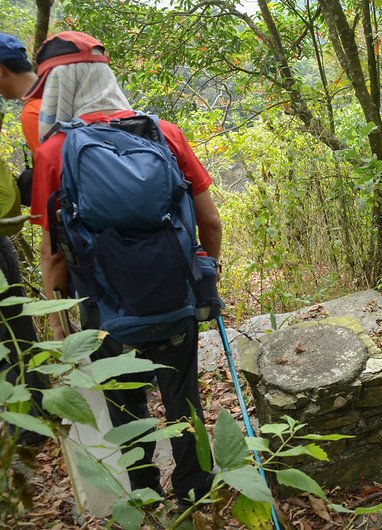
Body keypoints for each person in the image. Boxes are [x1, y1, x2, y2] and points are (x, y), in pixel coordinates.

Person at [27, 31, 223, 505]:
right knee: (183, 400)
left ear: (56, 86)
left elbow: (52, 255)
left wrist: (59, 323)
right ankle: (194, 495)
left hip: (105, 312)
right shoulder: (163, 133)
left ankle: (146, 497)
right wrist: (206, 277)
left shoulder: (53, 153)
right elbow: (210, 221)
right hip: (175, 299)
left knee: (125, 407)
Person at [0, 33, 50, 446]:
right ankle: (33, 410)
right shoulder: (58, 89)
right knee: (16, 326)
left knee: (8, 333)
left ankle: (26, 424)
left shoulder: (33, 111)